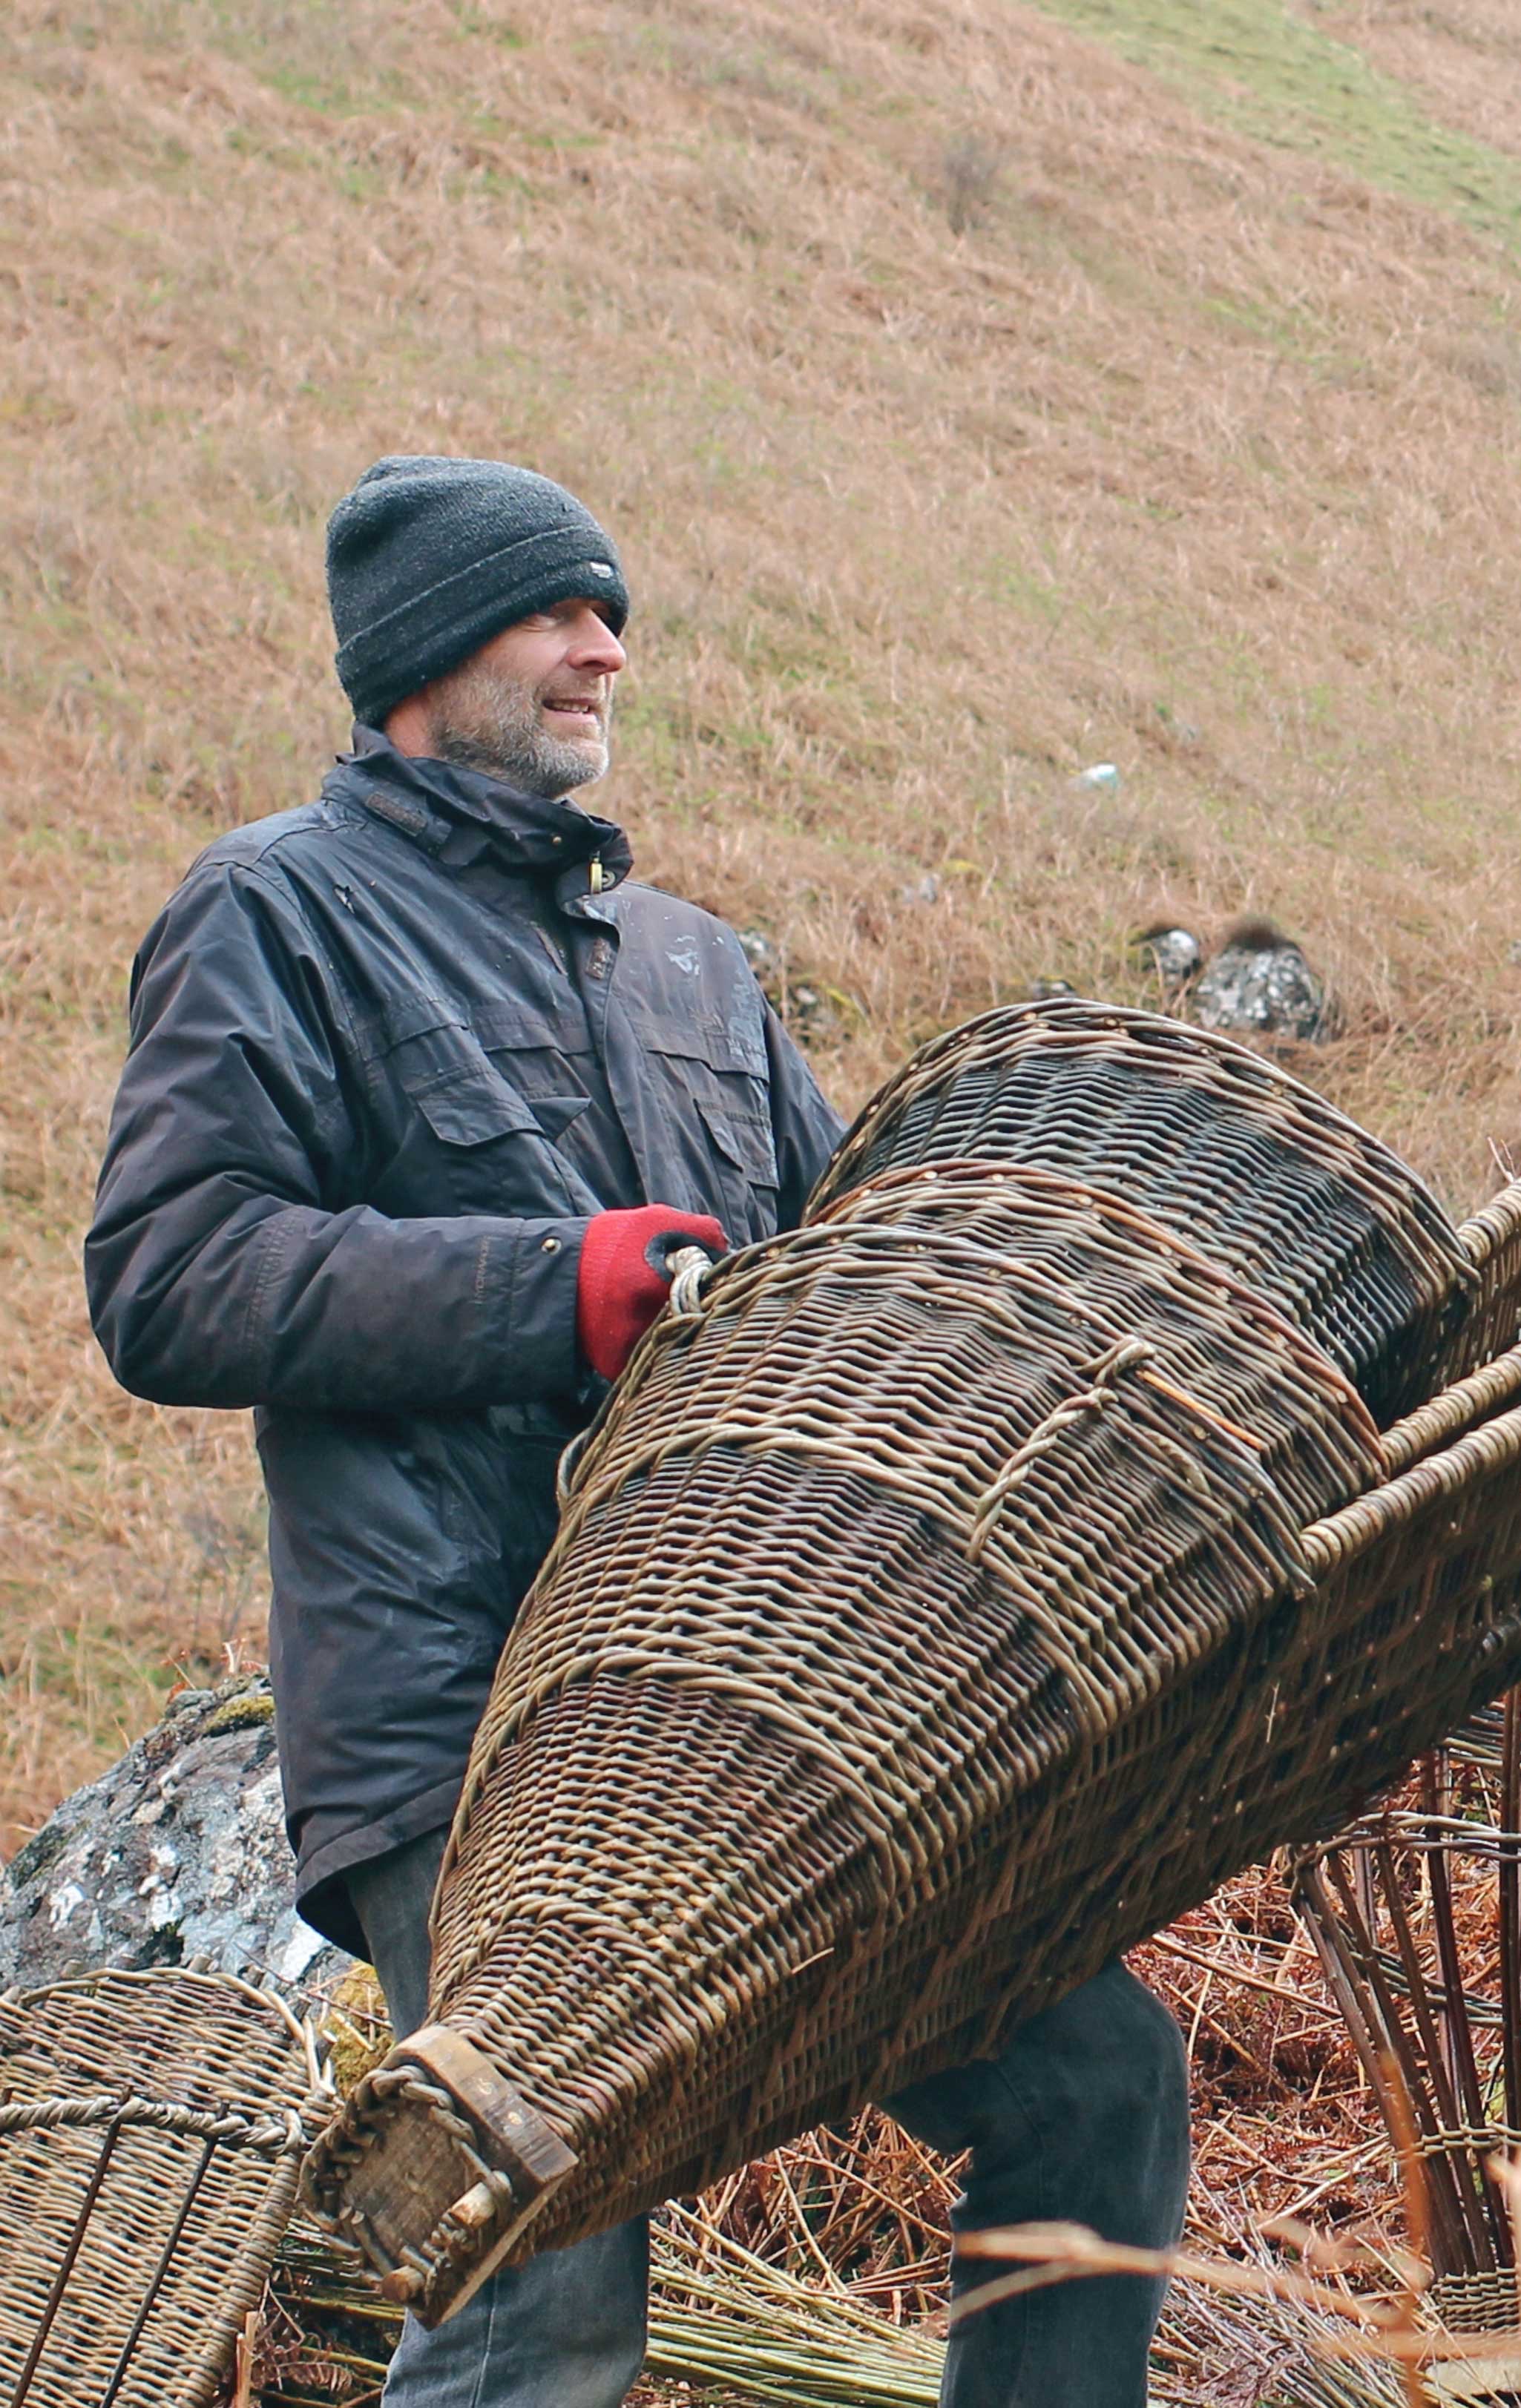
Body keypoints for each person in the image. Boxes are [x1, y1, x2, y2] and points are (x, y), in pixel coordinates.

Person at [85, 457, 1190, 2408]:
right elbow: (168, 1277)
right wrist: (546, 1285)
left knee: (1094, 2081)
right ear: (431, 655)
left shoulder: (687, 962)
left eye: (615, 620)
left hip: (767, 1712)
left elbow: (851, 1269)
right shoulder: (275, 913)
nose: (607, 651)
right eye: (559, 615)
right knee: (541, 2302)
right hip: (474, 1727)